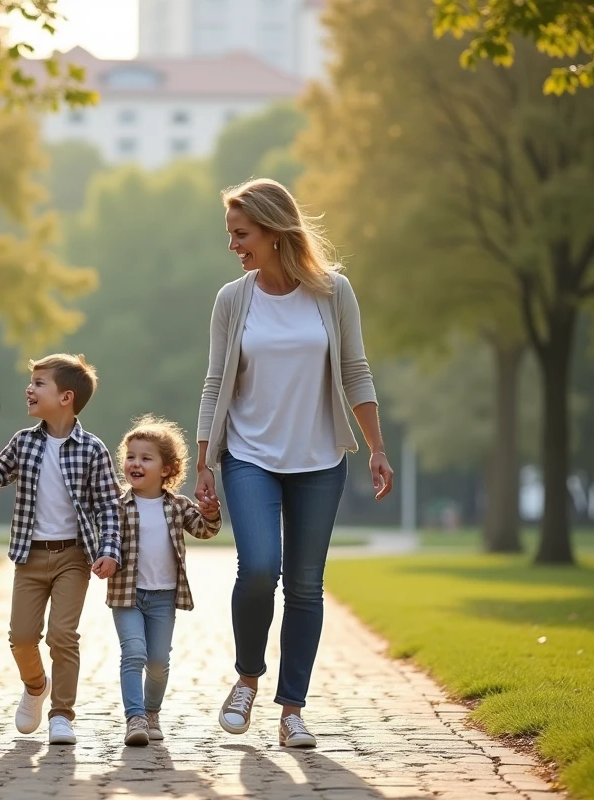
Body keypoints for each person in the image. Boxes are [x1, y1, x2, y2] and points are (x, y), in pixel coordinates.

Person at [195, 178, 394, 749]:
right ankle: (247, 679)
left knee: (305, 585)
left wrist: (376, 447)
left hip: (318, 459)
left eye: (241, 234)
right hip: (249, 455)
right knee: (259, 567)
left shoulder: (333, 293)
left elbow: (355, 371)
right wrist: (206, 458)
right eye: (231, 235)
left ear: (274, 231)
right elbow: (216, 382)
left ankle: (292, 710)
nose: (234, 246)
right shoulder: (234, 300)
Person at [0, 354, 120, 746]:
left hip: (73, 558)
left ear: (66, 397)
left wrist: (110, 549)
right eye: (31, 382)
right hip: (29, 557)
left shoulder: (92, 450)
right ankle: (36, 686)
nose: (29, 389)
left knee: (63, 636)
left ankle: (62, 714)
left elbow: (109, 505)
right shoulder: (24, 442)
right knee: (21, 637)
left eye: (39, 383)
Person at [106, 415, 221, 747]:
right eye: (130, 457)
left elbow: (204, 530)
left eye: (145, 458)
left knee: (158, 661)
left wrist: (211, 513)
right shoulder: (118, 507)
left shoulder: (177, 506)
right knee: (134, 653)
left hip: (163, 597)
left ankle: (152, 711)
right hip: (126, 595)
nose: (135, 463)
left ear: (167, 469)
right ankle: (135, 718)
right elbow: (106, 538)